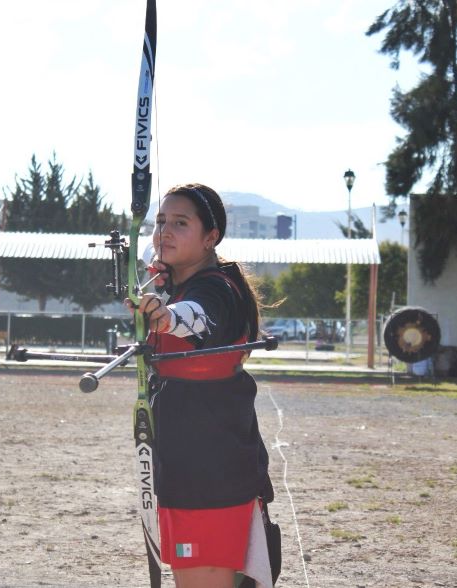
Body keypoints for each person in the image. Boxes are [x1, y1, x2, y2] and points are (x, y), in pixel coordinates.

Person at [133, 183, 277, 588]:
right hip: (190, 466)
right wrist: (158, 280)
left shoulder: (218, 289)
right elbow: (152, 256)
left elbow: (197, 317)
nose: (165, 232)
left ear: (211, 237)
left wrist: (165, 313)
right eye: (160, 221)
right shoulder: (182, 279)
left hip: (210, 472)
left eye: (181, 223)